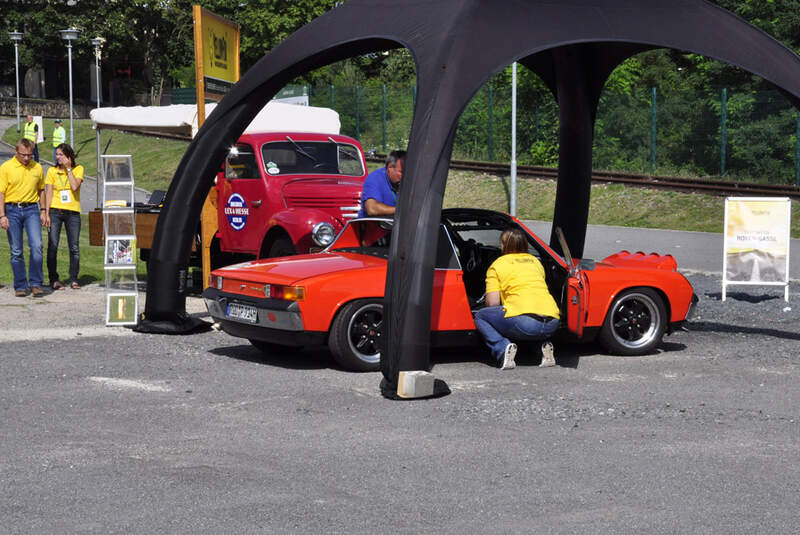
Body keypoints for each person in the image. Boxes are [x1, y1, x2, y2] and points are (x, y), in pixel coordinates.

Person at [473, 227, 561, 369]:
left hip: (524, 322)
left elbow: (493, 303)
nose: (500, 246)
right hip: (552, 321)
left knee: (482, 316)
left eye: (501, 243)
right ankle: (542, 347)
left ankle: (503, 349)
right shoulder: (535, 262)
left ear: (505, 245)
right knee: (527, 326)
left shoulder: (497, 265)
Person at [0, 138, 47, 297]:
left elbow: (42, 190)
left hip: (31, 210)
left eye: (30, 155)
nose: (27, 158)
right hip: (11, 209)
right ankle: (20, 285)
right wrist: (2, 215)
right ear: (16, 151)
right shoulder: (6, 167)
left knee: (37, 246)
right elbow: (1, 193)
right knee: (16, 250)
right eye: (23, 155)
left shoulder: (38, 167)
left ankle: (35, 283)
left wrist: (44, 210)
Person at [45, 143, 83, 290]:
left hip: (72, 213)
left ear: (69, 156)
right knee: (53, 246)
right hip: (55, 211)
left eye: (61, 154)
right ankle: (53, 279)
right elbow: (48, 192)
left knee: (74, 247)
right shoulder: (51, 171)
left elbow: (74, 186)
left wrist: (68, 169)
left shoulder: (78, 169)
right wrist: (46, 213)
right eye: (57, 154)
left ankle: (74, 278)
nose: (58, 157)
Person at [357, 150, 405, 217]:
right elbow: (372, 209)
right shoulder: (375, 178)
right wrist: (402, 211)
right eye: (402, 172)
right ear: (390, 168)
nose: (406, 176)